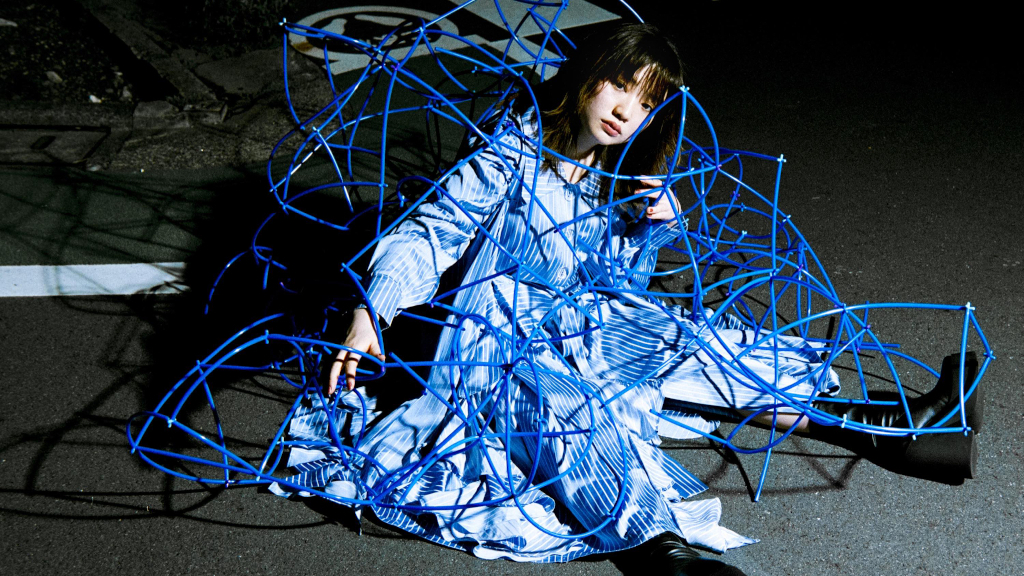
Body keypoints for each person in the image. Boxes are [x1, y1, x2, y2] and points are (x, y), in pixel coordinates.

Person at [277, 22, 978, 576]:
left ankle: (896, 430)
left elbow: (619, 285)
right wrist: (371, 313)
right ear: (587, 75)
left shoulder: (611, 174)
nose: (626, 111)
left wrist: (646, 229)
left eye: (646, 102)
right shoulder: (511, 149)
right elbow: (433, 231)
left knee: (688, 340)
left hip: (581, 324)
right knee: (569, 416)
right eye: (619, 84)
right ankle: (663, 555)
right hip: (495, 339)